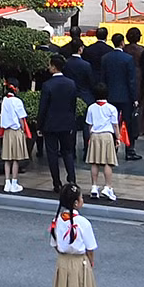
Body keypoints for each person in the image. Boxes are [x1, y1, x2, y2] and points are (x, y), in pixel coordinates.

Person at [49, 182, 99, 287]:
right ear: (77, 203)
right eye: (81, 197)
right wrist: (90, 263)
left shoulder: (56, 220)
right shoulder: (83, 223)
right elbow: (90, 248)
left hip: (63, 262)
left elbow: (54, 244)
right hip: (79, 262)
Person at [40, 55, 82, 192]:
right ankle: (72, 179)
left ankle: (56, 183)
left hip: (50, 123)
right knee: (68, 152)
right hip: (67, 122)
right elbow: (73, 104)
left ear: (53, 66)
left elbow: (43, 108)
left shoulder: (47, 85)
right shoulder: (71, 83)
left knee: (52, 154)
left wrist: (40, 125)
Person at [103, 34, 141, 160]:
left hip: (110, 96)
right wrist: (134, 98)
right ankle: (129, 150)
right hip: (125, 97)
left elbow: (103, 79)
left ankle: (112, 149)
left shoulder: (105, 58)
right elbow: (131, 81)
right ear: (122, 43)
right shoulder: (128, 59)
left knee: (111, 123)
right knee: (128, 124)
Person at [84, 90, 120, 200]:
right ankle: (108, 187)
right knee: (108, 162)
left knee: (94, 162)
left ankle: (94, 187)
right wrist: (118, 137)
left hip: (95, 135)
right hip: (107, 136)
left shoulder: (91, 108)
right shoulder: (111, 108)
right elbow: (115, 125)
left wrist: (90, 136)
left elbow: (89, 125)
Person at [1, 81, 33, 194]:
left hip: (7, 132)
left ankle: (7, 182)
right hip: (16, 131)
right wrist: (23, 130)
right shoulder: (17, 101)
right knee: (15, 159)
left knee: (7, 159)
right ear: (16, 89)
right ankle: (14, 183)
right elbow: (21, 118)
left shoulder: (4, 101)